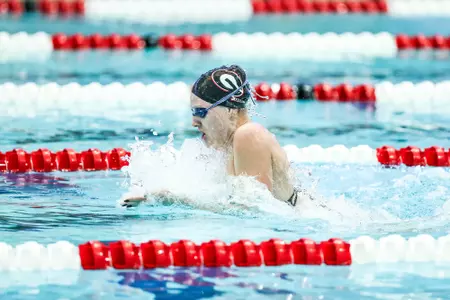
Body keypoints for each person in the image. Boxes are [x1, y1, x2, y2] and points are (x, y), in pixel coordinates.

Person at [121, 65, 300, 208]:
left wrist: (171, 199)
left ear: (229, 110)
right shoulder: (225, 146)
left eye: (200, 111)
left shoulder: (248, 134)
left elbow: (256, 211)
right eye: (192, 111)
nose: (194, 122)